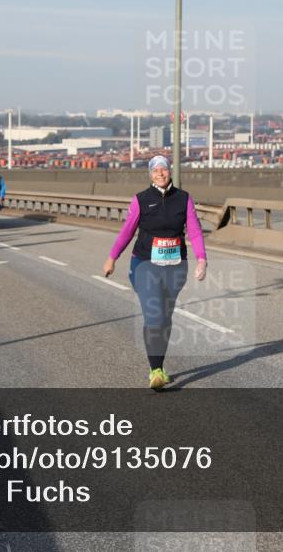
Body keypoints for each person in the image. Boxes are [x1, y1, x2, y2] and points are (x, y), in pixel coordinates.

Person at [102, 155, 206, 390]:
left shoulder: (184, 199)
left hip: (175, 266)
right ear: (150, 174)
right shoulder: (141, 200)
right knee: (154, 314)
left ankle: (158, 365)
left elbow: (196, 232)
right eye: (155, 170)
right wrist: (112, 258)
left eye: (164, 169)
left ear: (170, 171)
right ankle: (156, 371)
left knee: (165, 318)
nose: (160, 173)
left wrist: (202, 260)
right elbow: (127, 232)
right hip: (144, 263)